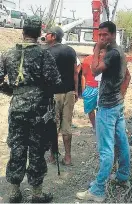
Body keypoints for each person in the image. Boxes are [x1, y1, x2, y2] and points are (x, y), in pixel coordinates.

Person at [0, 16, 62, 203]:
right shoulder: (44, 55)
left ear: (23, 31)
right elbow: (55, 82)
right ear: (39, 34)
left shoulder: (8, 53)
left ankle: (14, 192)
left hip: (17, 107)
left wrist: (14, 92)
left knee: (17, 148)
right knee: (36, 149)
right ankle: (36, 193)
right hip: (39, 110)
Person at [76, 21, 131, 202]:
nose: (102, 38)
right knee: (121, 142)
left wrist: (97, 48)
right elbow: (126, 75)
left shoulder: (113, 53)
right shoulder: (119, 51)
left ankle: (98, 190)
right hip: (116, 104)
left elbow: (93, 70)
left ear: (113, 34)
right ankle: (123, 176)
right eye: (100, 36)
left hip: (108, 106)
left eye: (105, 35)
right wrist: (121, 96)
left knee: (105, 149)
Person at [45, 26, 79, 166]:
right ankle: (68, 157)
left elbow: (45, 76)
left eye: (47, 34)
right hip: (70, 93)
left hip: (54, 94)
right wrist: (76, 91)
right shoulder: (71, 50)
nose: (45, 36)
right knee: (67, 125)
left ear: (53, 36)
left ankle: (53, 157)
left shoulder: (47, 52)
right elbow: (75, 73)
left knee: (53, 125)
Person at [81, 46, 106, 130]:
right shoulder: (87, 59)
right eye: (98, 50)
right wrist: (83, 89)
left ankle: (101, 127)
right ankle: (94, 126)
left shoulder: (106, 61)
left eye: (101, 51)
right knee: (90, 109)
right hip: (90, 87)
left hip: (103, 88)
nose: (99, 53)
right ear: (93, 50)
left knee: (102, 109)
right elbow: (83, 75)